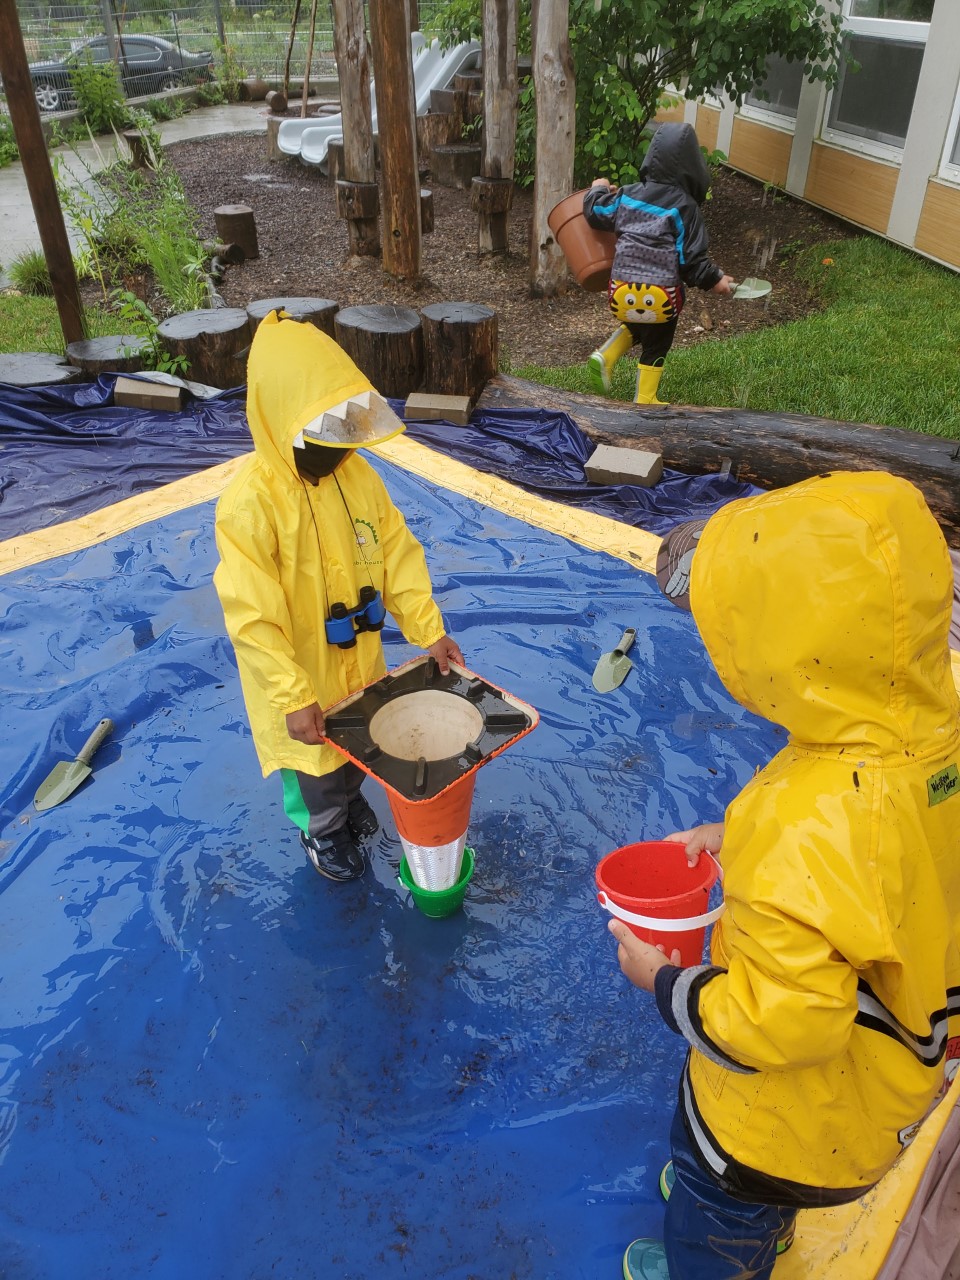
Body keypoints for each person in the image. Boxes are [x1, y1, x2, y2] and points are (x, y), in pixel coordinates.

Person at [607, 471, 960, 1280]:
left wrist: (662, 981)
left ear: (790, 652)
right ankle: (762, 1221)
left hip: (771, 1128)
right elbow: (876, 850)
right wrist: (734, 832)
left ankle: (725, 1241)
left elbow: (783, 1027)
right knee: (756, 1185)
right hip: (886, 1087)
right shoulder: (935, 744)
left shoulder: (797, 829)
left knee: (712, 1194)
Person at [214, 311, 463, 883]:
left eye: (341, 433)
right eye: (319, 436)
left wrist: (429, 630)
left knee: (357, 745)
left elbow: (397, 554)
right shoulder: (250, 507)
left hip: (357, 660)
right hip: (301, 678)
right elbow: (252, 617)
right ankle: (322, 831)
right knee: (314, 768)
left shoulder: (358, 478)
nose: (336, 449)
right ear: (281, 424)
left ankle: (350, 804)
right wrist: (291, 695)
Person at [582, 121, 734, 406]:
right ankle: (645, 397)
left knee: (638, 323)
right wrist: (716, 280)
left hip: (620, 291)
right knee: (658, 340)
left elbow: (595, 211)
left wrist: (597, 189)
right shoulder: (684, 207)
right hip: (660, 296)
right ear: (693, 166)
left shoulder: (627, 195)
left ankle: (606, 356)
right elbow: (690, 259)